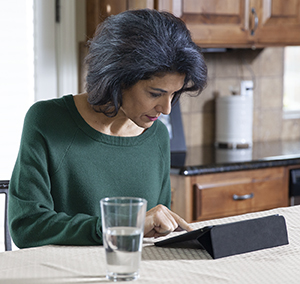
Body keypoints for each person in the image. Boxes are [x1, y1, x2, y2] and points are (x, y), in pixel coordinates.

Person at [8, 9, 207, 248]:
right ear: (117, 79)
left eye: (174, 94)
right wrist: (120, 226)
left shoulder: (158, 136)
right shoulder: (47, 120)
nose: (166, 109)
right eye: (156, 94)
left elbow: (152, 234)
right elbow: (26, 227)